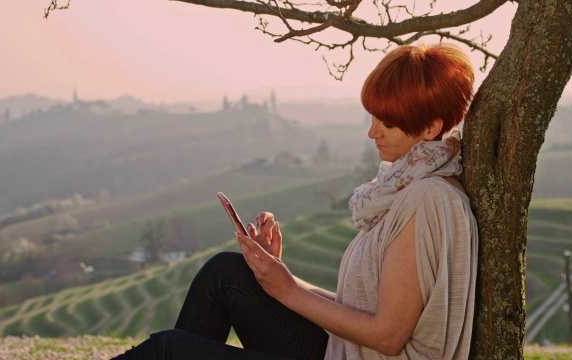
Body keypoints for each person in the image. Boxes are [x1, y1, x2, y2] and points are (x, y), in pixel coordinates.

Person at [111, 42, 478, 360]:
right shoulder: (408, 188)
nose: (372, 132)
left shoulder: (429, 199)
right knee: (226, 274)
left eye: (388, 124)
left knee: (168, 350)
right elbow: (366, 313)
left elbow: (388, 337)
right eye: (373, 117)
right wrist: (277, 276)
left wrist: (287, 290)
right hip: (343, 350)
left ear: (431, 127)